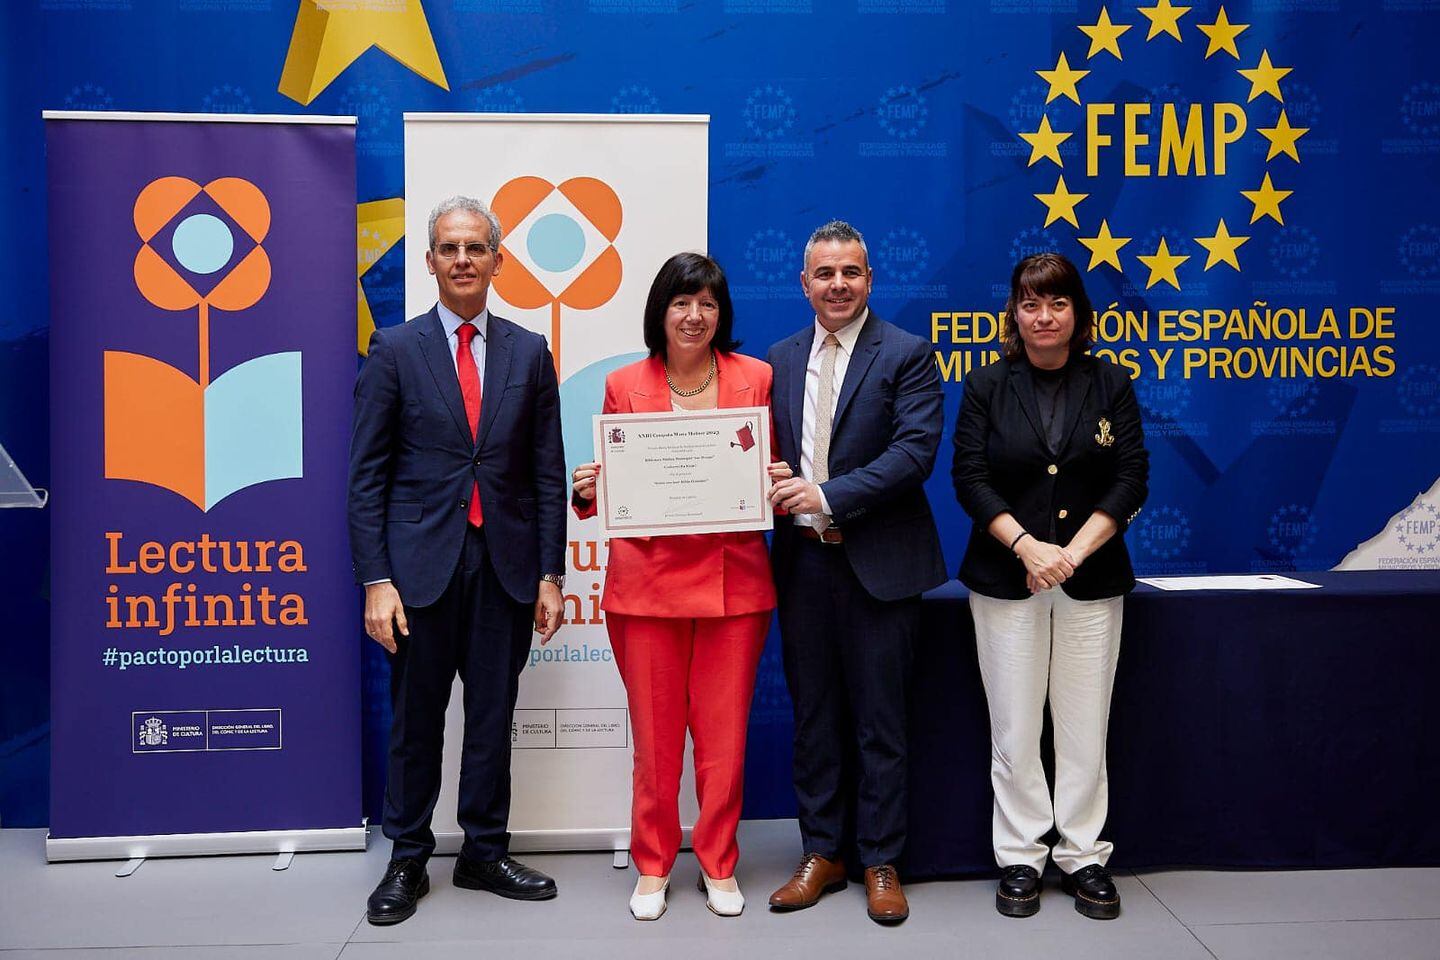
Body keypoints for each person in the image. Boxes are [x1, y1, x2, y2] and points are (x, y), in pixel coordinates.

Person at [348, 196, 567, 925]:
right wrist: (376, 579)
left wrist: (549, 573)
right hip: (418, 571)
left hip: (505, 566)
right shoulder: (395, 350)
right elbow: (366, 475)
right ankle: (407, 857)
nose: (464, 259)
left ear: (498, 260)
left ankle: (482, 852)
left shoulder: (528, 352)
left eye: (477, 247)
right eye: (450, 248)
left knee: (492, 718)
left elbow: (546, 472)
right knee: (416, 723)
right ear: (431, 260)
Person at [572, 253, 790, 921]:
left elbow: (767, 476)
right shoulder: (622, 383)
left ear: (721, 314)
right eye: (681, 303)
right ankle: (654, 863)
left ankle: (720, 863)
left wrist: (776, 484)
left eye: (707, 303)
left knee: (723, 740)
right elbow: (611, 484)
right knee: (657, 740)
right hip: (646, 586)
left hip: (734, 584)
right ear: (659, 313)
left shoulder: (757, 377)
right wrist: (589, 490)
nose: (694, 316)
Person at [951, 252, 1148, 921]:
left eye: (1057, 304)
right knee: (1013, 722)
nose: (1043, 316)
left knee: (1085, 725)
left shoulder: (1112, 382)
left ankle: (1084, 854)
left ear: (1077, 314)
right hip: (1008, 576)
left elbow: (1131, 477)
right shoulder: (984, 385)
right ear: (1013, 312)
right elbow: (970, 477)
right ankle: (1020, 856)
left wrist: (1071, 554)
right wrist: (1030, 547)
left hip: (1092, 580)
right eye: (1031, 304)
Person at [765, 220, 947, 924]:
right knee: (813, 720)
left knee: (880, 722)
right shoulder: (777, 360)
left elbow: (914, 454)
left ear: (870, 280)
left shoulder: (907, 353)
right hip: (804, 566)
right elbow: (756, 450)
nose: (837, 284)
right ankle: (822, 853)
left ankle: (880, 859)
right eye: (824, 273)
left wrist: (827, 494)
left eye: (851, 272)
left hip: (881, 565)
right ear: (803, 283)